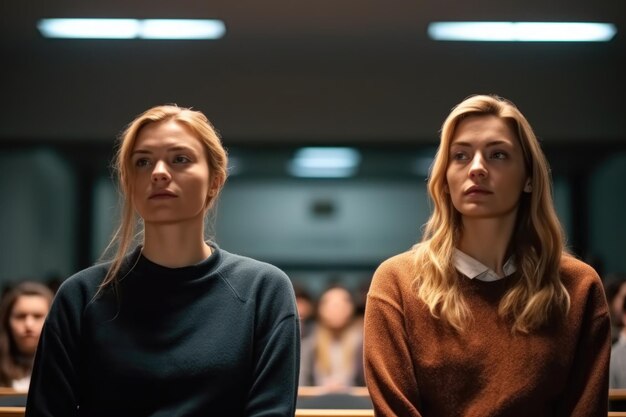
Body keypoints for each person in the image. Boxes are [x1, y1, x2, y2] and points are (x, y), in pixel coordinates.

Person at [26, 105, 300, 417]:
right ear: (129, 183)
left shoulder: (263, 291)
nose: (158, 172)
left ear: (215, 181)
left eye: (179, 159)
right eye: (143, 162)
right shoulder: (81, 296)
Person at [363, 94, 611, 417]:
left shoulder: (578, 287)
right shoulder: (396, 283)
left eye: (497, 154)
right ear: (445, 179)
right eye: (461, 156)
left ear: (528, 178)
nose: (477, 168)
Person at [300, 284, 364, 390]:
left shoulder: (362, 343)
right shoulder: (309, 343)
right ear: (320, 309)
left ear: (351, 308)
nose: (336, 309)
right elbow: (302, 384)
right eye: (331, 304)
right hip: (316, 403)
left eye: (342, 304)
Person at [0, 282, 53, 391]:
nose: (29, 325)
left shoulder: (70, 368)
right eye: (20, 316)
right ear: (7, 321)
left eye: (37, 316)